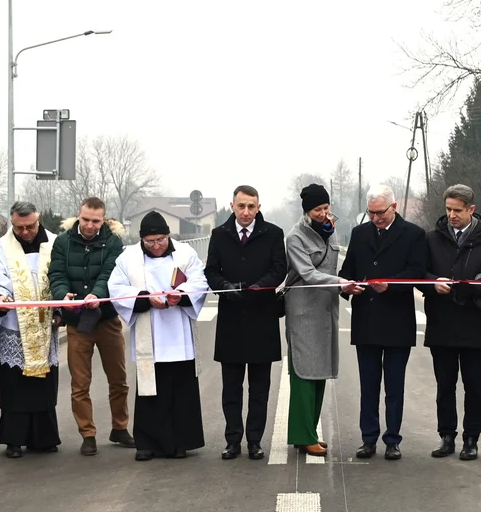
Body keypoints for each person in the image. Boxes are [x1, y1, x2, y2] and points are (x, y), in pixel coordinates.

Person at [109, 211, 208, 461]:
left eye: (161, 240)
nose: (156, 246)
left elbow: (199, 279)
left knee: (181, 388)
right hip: (149, 330)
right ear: (142, 239)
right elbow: (116, 288)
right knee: (150, 389)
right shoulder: (128, 257)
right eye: (150, 241)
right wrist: (145, 297)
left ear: (168, 235)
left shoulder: (186, 254)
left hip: (179, 330)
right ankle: (147, 443)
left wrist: (182, 293)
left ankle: (180, 442)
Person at [339, 185, 427, 460]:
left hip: (397, 318)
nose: (376, 218)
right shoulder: (359, 233)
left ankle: (392, 439)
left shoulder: (413, 234)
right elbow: (347, 271)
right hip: (366, 318)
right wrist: (346, 287)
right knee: (368, 384)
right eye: (371, 212)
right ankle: (368, 438)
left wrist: (391, 285)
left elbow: (416, 271)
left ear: (394, 207)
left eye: (380, 212)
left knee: (394, 384)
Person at [422, 184, 481, 460]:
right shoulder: (432, 238)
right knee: (444, 384)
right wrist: (434, 283)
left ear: (472, 209)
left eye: (457, 210)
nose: (452, 215)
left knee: (473, 384)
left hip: (474, 323)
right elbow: (419, 272)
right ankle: (446, 436)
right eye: (448, 209)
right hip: (441, 321)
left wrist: (474, 287)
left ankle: (472, 438)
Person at [204, 185, 286, 460]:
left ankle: (255, 440)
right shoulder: (219, 234)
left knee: (260, 388)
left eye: (252, 206)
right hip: (231, 319)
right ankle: (232, 440)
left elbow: (279, 269)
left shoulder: (273, 234)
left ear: (259, 207)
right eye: (242, 206)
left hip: (262, 317)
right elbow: (211, 271)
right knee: (231, 388)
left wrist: (257, 289)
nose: (246, 211)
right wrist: (227, 287)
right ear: (233, 206)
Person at [48, 197, 133, 456]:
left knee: (118, 379)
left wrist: (96, 295)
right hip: (77, 323)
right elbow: (57, 274)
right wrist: (62, 295)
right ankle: (88, 433)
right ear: (79, 215)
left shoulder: (114, 243)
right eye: (85, 219)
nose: (89, 225)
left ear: (104, 220)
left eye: (96, 221)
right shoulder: (63, 242)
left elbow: (110, 274)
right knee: (80, 382)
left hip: (106, 319)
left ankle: (120, 427)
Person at [0, 202, 62, 458]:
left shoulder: (55, 243)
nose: (27, 232)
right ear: (12, 223)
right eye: (20, 227)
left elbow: (59, 277)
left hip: (44, 324)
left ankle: (44, 438)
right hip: (14, 325)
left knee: (44, 384)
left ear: (38, 220)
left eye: (31, 226)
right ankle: (14, 439)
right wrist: (0, 298)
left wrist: (60, 310)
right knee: (14, 385)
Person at [282, 185, 348, 456]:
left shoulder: (329, 231)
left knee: (320, 371)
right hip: (304, 311)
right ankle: (302, 433)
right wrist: (342, 284)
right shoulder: (295, 237)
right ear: (306, 211)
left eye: (325, 208)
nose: (323, 214)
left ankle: (308, 432)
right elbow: (308, 273)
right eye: (317, 210)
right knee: (304, 372)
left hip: (326, 307)